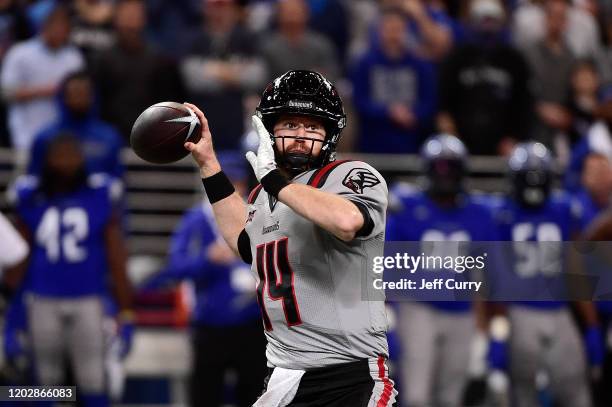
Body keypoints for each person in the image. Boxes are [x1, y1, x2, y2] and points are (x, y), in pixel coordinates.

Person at [183, 70, 397, 406]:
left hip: (347, 375)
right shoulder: (263, 196)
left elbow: (346, 220)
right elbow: (244, 240)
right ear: (269, 131)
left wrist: (276, 182)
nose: (301, 136)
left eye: (312, 126)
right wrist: (209, 163)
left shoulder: (350, 174)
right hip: (285, 375)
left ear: (330, 133)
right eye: (290, 125)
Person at [3, 133, 133, 407]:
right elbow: (19, 260)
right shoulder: (31, 196)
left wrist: (126, 311)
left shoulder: (100, 194)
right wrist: (13, 316)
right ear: (46, 160)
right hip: (43, 299)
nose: (66, 162)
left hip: (89, 298)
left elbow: (116, 257)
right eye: (59, 155)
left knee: (93, 381)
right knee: (45, 387)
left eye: (72, 154)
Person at [141, 158, 267, 407]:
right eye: (226, 182)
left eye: (237, 182)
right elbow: (176, 268)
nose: (232, 188)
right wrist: (207, 259)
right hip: (210, 324)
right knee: (205, 394)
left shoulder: (257, 216)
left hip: (253, 323)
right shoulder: (195, 221)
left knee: (255, 395)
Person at [485, 142, 602, 407]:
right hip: (520, 311)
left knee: (574, 389)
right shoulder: (499, 213)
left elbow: (576, 271)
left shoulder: (563, 209)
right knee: (523, 393)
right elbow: (494, 277)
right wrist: (498, 333)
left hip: (558, 311)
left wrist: (592, 325)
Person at [386, 134, 497, 407]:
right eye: (440, 167)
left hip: (461, 310)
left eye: (451, 167)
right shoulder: (405, 206)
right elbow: (385, 267)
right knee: (417, 396)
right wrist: (386, 320)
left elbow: (489, 274)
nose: (445, 175)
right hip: (417, 307)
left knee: (450, 397)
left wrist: (489, 326)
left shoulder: (479, 212)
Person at [0, 2, 84, 150]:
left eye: (63, 25)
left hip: (63, 136)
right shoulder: (20, 52)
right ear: (44, 25)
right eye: (54, 23)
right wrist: (45, 91)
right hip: (24, 133)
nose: (58, 29)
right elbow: (5, 92)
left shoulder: (74, 57)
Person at [27, 70, 124, 179]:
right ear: (63, 96)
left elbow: (117, 180)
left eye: (84, 93)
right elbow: (33, 179)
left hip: (97, 195)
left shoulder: (109, 136)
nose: (79, 99)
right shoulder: (44, 138)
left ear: (93, 97)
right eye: (75, 93)